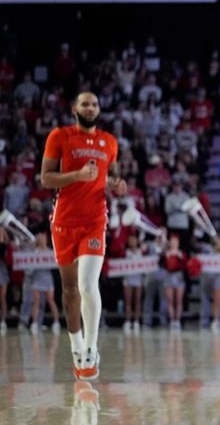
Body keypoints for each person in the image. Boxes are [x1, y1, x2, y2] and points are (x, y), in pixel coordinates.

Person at [41, 91, 126, 380]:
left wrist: (117, 184)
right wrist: (76, 176)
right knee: (69, 292)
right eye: (85, 103)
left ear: (99, 109)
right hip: (64, 221)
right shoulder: (60, 136)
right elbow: (46, 178)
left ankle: (91, 348)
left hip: (94, 220)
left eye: (94, 103)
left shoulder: (109, 142)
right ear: (74, 108)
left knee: (88, 285)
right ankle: (76, 346)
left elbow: (111, 176)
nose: (90, 107)